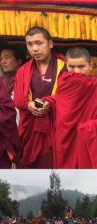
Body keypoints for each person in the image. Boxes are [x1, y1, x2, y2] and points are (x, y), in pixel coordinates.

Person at [49, 47, 97, 169]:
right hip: (65, 144)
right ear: (66, 66)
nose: (76, 72)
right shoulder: (63, 87)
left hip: (89, 144)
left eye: (81, 67)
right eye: (71, 67)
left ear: (91, 65)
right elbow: (60, 113)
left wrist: (92, 127)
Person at [13, 27, 66, 168]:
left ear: (50, 44)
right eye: (30, 44)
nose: (34, 49)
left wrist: (51, 103)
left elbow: (71, 97)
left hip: (56, 127)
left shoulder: (65, 67)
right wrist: (28, 105)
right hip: (30, 129)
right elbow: (18, 99)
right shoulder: (22, 71)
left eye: (39, 43)